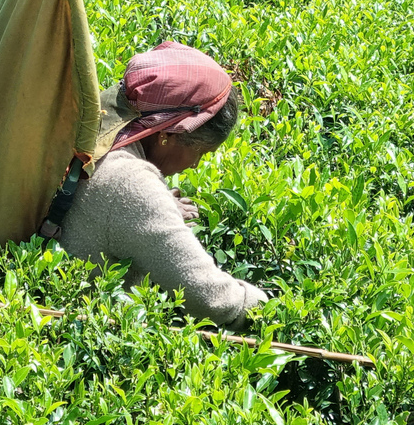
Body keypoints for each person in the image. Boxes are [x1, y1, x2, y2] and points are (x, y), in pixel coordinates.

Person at [59, 41, 269, 330]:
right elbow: (209, 298)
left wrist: (161, 206)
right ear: (167, 135)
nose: (195, 165)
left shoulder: (94, 115)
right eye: (201, 153)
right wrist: (267, 308)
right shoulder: (130, 185)